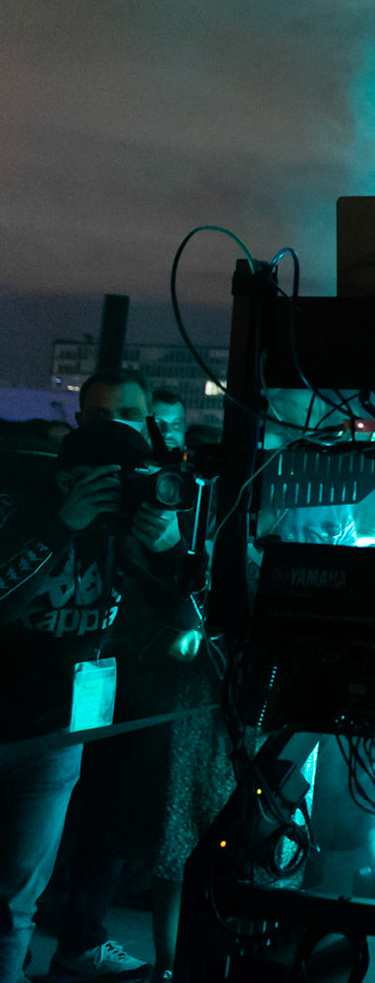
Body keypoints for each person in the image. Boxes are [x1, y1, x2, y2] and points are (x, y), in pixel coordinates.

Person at [1, 371, 191, 983]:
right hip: (15, 714)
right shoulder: (28, 494)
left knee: (14, 904)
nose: (113, 485)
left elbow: (190, 618)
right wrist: (62, 524)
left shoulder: (143, 508)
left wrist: (170, 551)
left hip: (60, 731)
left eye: (130, 415)